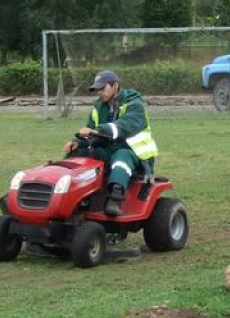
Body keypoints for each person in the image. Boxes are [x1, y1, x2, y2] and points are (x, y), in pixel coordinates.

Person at [62, 70, 158, 217]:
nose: (99, 93)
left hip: (136, 156)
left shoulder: (134, 104)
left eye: (102, 88)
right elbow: (90, 129)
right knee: (76, 153)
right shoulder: (99, 107)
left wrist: (98, 130)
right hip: (109, 151)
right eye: (97, 89)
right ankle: (65, 191)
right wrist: (77, 142)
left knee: (121, 156)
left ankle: (115, 199)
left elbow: (123, 126)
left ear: (115, 86)